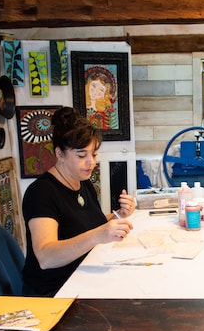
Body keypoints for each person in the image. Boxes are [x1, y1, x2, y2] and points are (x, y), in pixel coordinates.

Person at [21, 106, 135, 296]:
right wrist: (98, 235)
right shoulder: (41, 193)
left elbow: (87, 225)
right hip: (54, 292)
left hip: (80, 277)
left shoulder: (82, 182)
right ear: (60, 154)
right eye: (82, 155)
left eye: (94, 154)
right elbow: (46, 256)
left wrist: (118, 215)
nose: (91, 162)